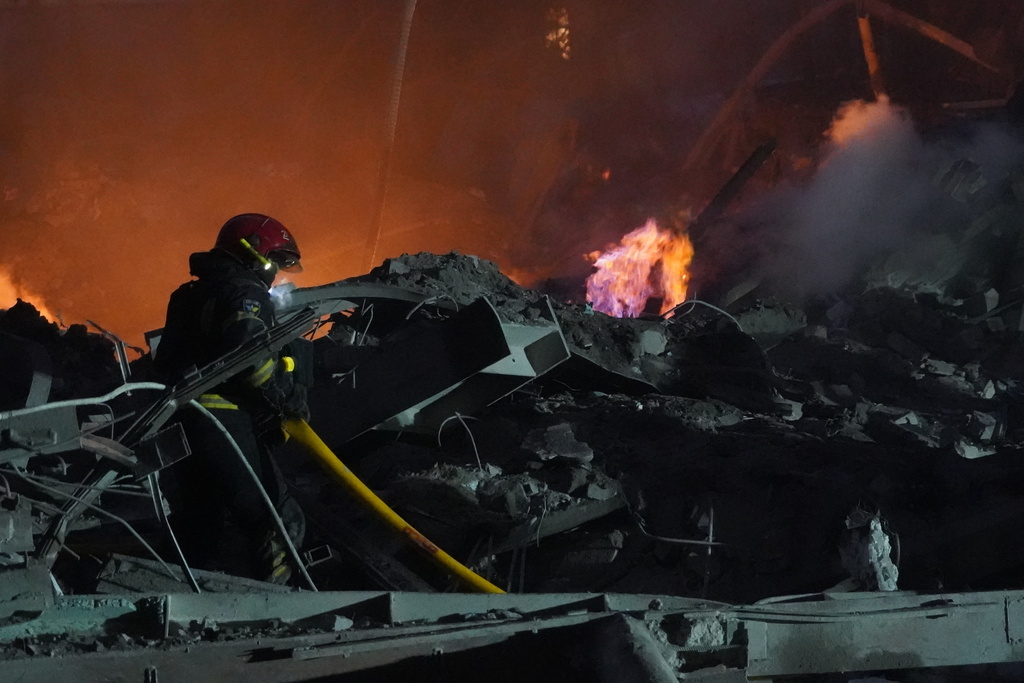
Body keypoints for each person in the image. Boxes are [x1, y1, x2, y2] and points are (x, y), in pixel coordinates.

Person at [154, 213, 309, 584]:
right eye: (274, 260)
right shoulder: (244, 292)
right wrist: (288, 395)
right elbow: (251, 361)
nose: (275, 272)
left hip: (179, 424)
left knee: (201, 522)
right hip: (223, 419)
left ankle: (189, 596)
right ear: (252, 251)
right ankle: (277, 605)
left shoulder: (191, 293)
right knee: (275, 521)